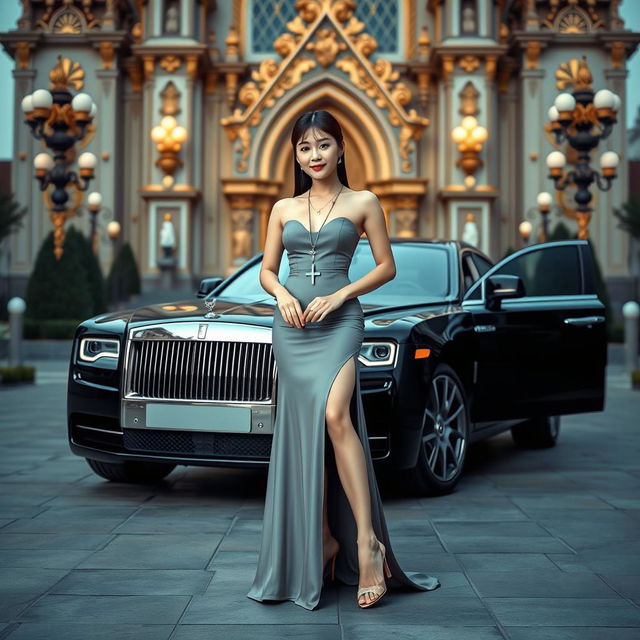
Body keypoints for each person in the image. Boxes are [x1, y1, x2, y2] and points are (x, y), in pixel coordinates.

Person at [247, 110, 440, 610]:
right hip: (293, 329)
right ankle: (325, 540)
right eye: (305, 147)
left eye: (324, 145)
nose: (315, 155)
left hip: (339, 324)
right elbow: (268, 271)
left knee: (336, 417)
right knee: (302, 435)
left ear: (341, 149)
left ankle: (365, 543)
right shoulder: (282, 208)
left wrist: (340, 296)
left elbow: (386, 266)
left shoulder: (363, 201)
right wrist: (281, 296)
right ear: (296, 154)